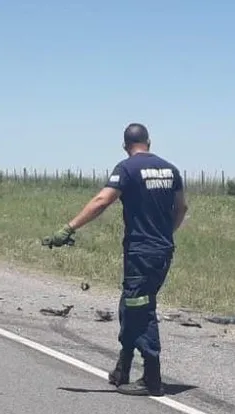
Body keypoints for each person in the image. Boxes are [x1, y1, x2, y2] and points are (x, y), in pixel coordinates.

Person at [41, 123, 188, 396]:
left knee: (140, 308)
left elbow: (101, 201)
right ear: (149, 142)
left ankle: (152, 378)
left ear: (125, 145)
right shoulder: (171, 169)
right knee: (129, 305)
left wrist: (69, 228)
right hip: (161, 251)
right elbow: (181, 207)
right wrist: (165, 234)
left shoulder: (127, 168)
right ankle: (124, 366)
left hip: (141, 253)